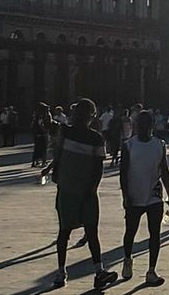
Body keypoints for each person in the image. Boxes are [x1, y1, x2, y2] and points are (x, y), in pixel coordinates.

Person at [49, 98, 117, 290]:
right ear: (93, 117)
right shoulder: (95, 138)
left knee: (65, 231)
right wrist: (92, 188)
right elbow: (98, 169)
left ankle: (62, 272)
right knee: (90, 233)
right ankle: (98, 271)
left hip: (69, 190)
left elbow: (58, 150)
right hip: (84, 191)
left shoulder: (69, 132)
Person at [120, 110, 169, 286]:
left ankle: (151, 270)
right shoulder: (128, 145)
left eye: (146, 125)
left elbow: (164, 171)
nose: (143, 128)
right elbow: (123, 173)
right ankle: (128, 259)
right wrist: (125, 195)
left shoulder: (159, 144)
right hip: (134, 195)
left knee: (155, 234)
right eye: (140, 125)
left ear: (152, 126)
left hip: (154, 195)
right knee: (130, 232)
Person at [31, 103, 53, 168]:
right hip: (44, 133)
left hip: (37, 134)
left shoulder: (36, 115)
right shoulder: (46, 115)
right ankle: (43, 161)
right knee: (44, 148)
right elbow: (47, 124)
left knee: (37, 148)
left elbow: (33, 125)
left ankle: (35, 161)